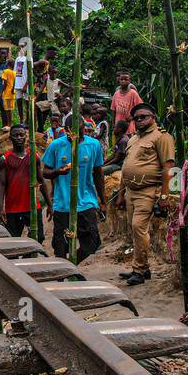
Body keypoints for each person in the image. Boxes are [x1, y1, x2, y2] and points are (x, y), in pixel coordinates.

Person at [117, 103, 176, 286]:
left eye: (144, 116)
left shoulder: (162, 137)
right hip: (130, 191)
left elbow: (168, 168)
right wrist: (120, 194)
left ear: (153, 117)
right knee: (134, 230)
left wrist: (164, 196)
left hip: (148, 190)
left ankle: (139, 271)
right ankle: (143, 267)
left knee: (138, 227)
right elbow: (125, 167)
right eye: (136, 118)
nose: (140, 120)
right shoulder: (133, 139)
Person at [43, 112, 105, 264]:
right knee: (60, 245)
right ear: (66, 129)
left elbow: (98, 173)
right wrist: (58, 171)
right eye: (70, 131)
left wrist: (102, 200)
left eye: (78, 130)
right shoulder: (56, 145)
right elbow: (45, 172)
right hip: (63, 202)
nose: (74, 134)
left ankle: (72, 264)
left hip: (86, 200)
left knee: (92, 242)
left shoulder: (94, 145)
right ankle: (62, 274)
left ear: (85, 128)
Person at [0, 124, 49, 243]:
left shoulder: (34, 157)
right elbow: (1, 185)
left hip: (32, 206)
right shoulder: (5, 159)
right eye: (15, 135)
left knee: (38, 238)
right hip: (12, 208)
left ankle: (29, 259)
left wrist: (49, 204)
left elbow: (41, 181)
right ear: (10, 138)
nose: (19, 138)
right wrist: (1, 209)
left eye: (22, 135)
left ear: (26, 137)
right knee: (13, 241)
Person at [0, 58, 17, 128]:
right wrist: (13, 89)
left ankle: (9, 125)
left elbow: (4, 83)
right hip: (12, 93)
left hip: (7, 93)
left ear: (7, 64)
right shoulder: (14, 72)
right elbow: (15, 82)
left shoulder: (5, 71)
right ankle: (9, 124)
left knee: (7, 110)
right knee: (10, 110)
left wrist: (1, 92)